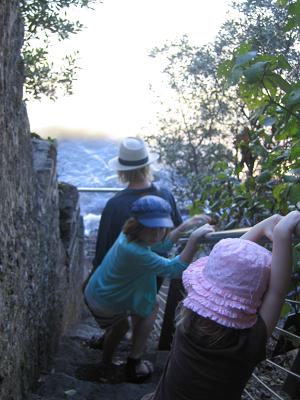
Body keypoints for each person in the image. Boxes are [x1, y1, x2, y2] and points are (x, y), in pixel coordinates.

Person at [142, 210, 300, 400]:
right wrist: (283, 233)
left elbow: (226, 264)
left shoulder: (186, 321)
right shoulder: (247, 343)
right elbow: (277, 292)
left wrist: (272, 226)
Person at [84, 195, 215, 383]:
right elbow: (175, 269)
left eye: (162, 228)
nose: (157, 234)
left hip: (99, 291)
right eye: (151, 228)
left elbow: (160, 243)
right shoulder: (135, 252)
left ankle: (111, 361)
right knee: (122, 326)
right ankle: (109, 364)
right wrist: (193, 240)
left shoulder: (128, 235)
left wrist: (187, 225)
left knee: (137, 314)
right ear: (138, 226)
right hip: (103, 301)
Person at [92, 136, 184, 271]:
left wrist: (94, 274)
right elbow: (176, 232)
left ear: (121, 171)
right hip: (156, 270)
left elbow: (103, 248)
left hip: (123, 275)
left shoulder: (115, 205)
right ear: (148, 166)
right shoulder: (165, 195)